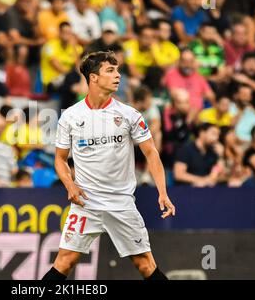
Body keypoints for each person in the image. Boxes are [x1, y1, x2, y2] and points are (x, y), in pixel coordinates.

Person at [42, 51, 175, 281]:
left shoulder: (129, 115)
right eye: (110, 70)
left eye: (118, 70)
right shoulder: (71, 117)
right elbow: (60, 159)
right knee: (64, 262)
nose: (118, 76)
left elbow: (151, 153)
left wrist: (162, 191)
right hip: (86, 203)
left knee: (145, 265)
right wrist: (70, 185)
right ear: (93, 77)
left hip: (121, 202)